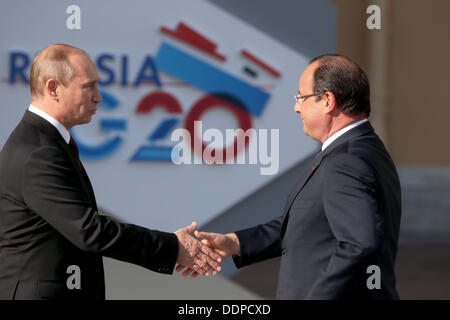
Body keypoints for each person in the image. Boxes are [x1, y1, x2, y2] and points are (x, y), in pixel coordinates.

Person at [0, 44, 221, 300]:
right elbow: (90, 231)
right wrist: (173, 247)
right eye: (88, 86)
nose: (98, 97)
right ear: (53, 88)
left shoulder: (45, 143)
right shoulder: (39, 153)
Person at [177, 54, 402, 300]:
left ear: (327, 100)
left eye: (302, 97)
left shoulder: (346, 160)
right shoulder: (360, 148)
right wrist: (234, 242)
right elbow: (309, 222)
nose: (296, 107)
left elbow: (360, 244)